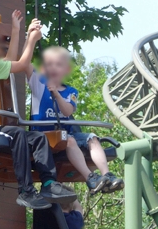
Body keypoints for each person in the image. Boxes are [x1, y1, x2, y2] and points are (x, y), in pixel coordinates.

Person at [0, 19, 76, 209]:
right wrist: (31, 39)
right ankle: (26, 191)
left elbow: (11, 61)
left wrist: (16, 30)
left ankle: (49, 184)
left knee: (38, 138)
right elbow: (22, 64)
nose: (0, 49)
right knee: (17, 134)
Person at [26, 46, 123, 194]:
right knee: (69, 139)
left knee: (92, 138)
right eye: (50, 64)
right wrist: (31, 39)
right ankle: (90, 178)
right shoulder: (39, 84)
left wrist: (57, 94)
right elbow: (25, 63)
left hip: (65, 134)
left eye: (59, 65)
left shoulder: (71, 92)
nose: (54, 69)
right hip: (43, 136)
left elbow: (67, 111)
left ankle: (106, 176)